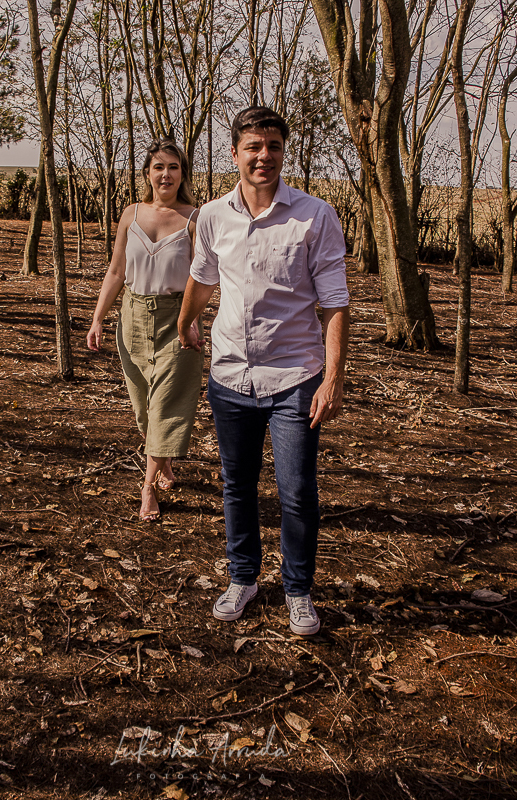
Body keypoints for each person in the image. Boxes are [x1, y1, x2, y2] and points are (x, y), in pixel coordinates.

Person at [177, 106, 349, 636]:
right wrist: (186, 319)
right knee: (237, 484)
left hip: (295, 377)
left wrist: (333, 378)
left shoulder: (315, 216)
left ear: (282, 152)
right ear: (235, 153)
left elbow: (334, 302)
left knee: (296, 491)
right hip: (230, 375)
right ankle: (243, 578)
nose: (263, 156)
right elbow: (203, 277)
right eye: (253, 147)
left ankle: (298, 589)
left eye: (273, 146)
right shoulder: (212, 216)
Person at [87, 140, 204, 522]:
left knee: (166, 406)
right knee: (143, 410)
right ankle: (163, 460)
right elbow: (116, 271)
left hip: (177, 321)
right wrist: (98, 318)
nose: (166, 174)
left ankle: (148, 486)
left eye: (173, 167)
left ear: (182, 174)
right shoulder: (131, 214)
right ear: (147, 174)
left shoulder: (194, 219)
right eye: (158, 167)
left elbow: (200, 278)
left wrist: (192, 320)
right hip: (133, 318)